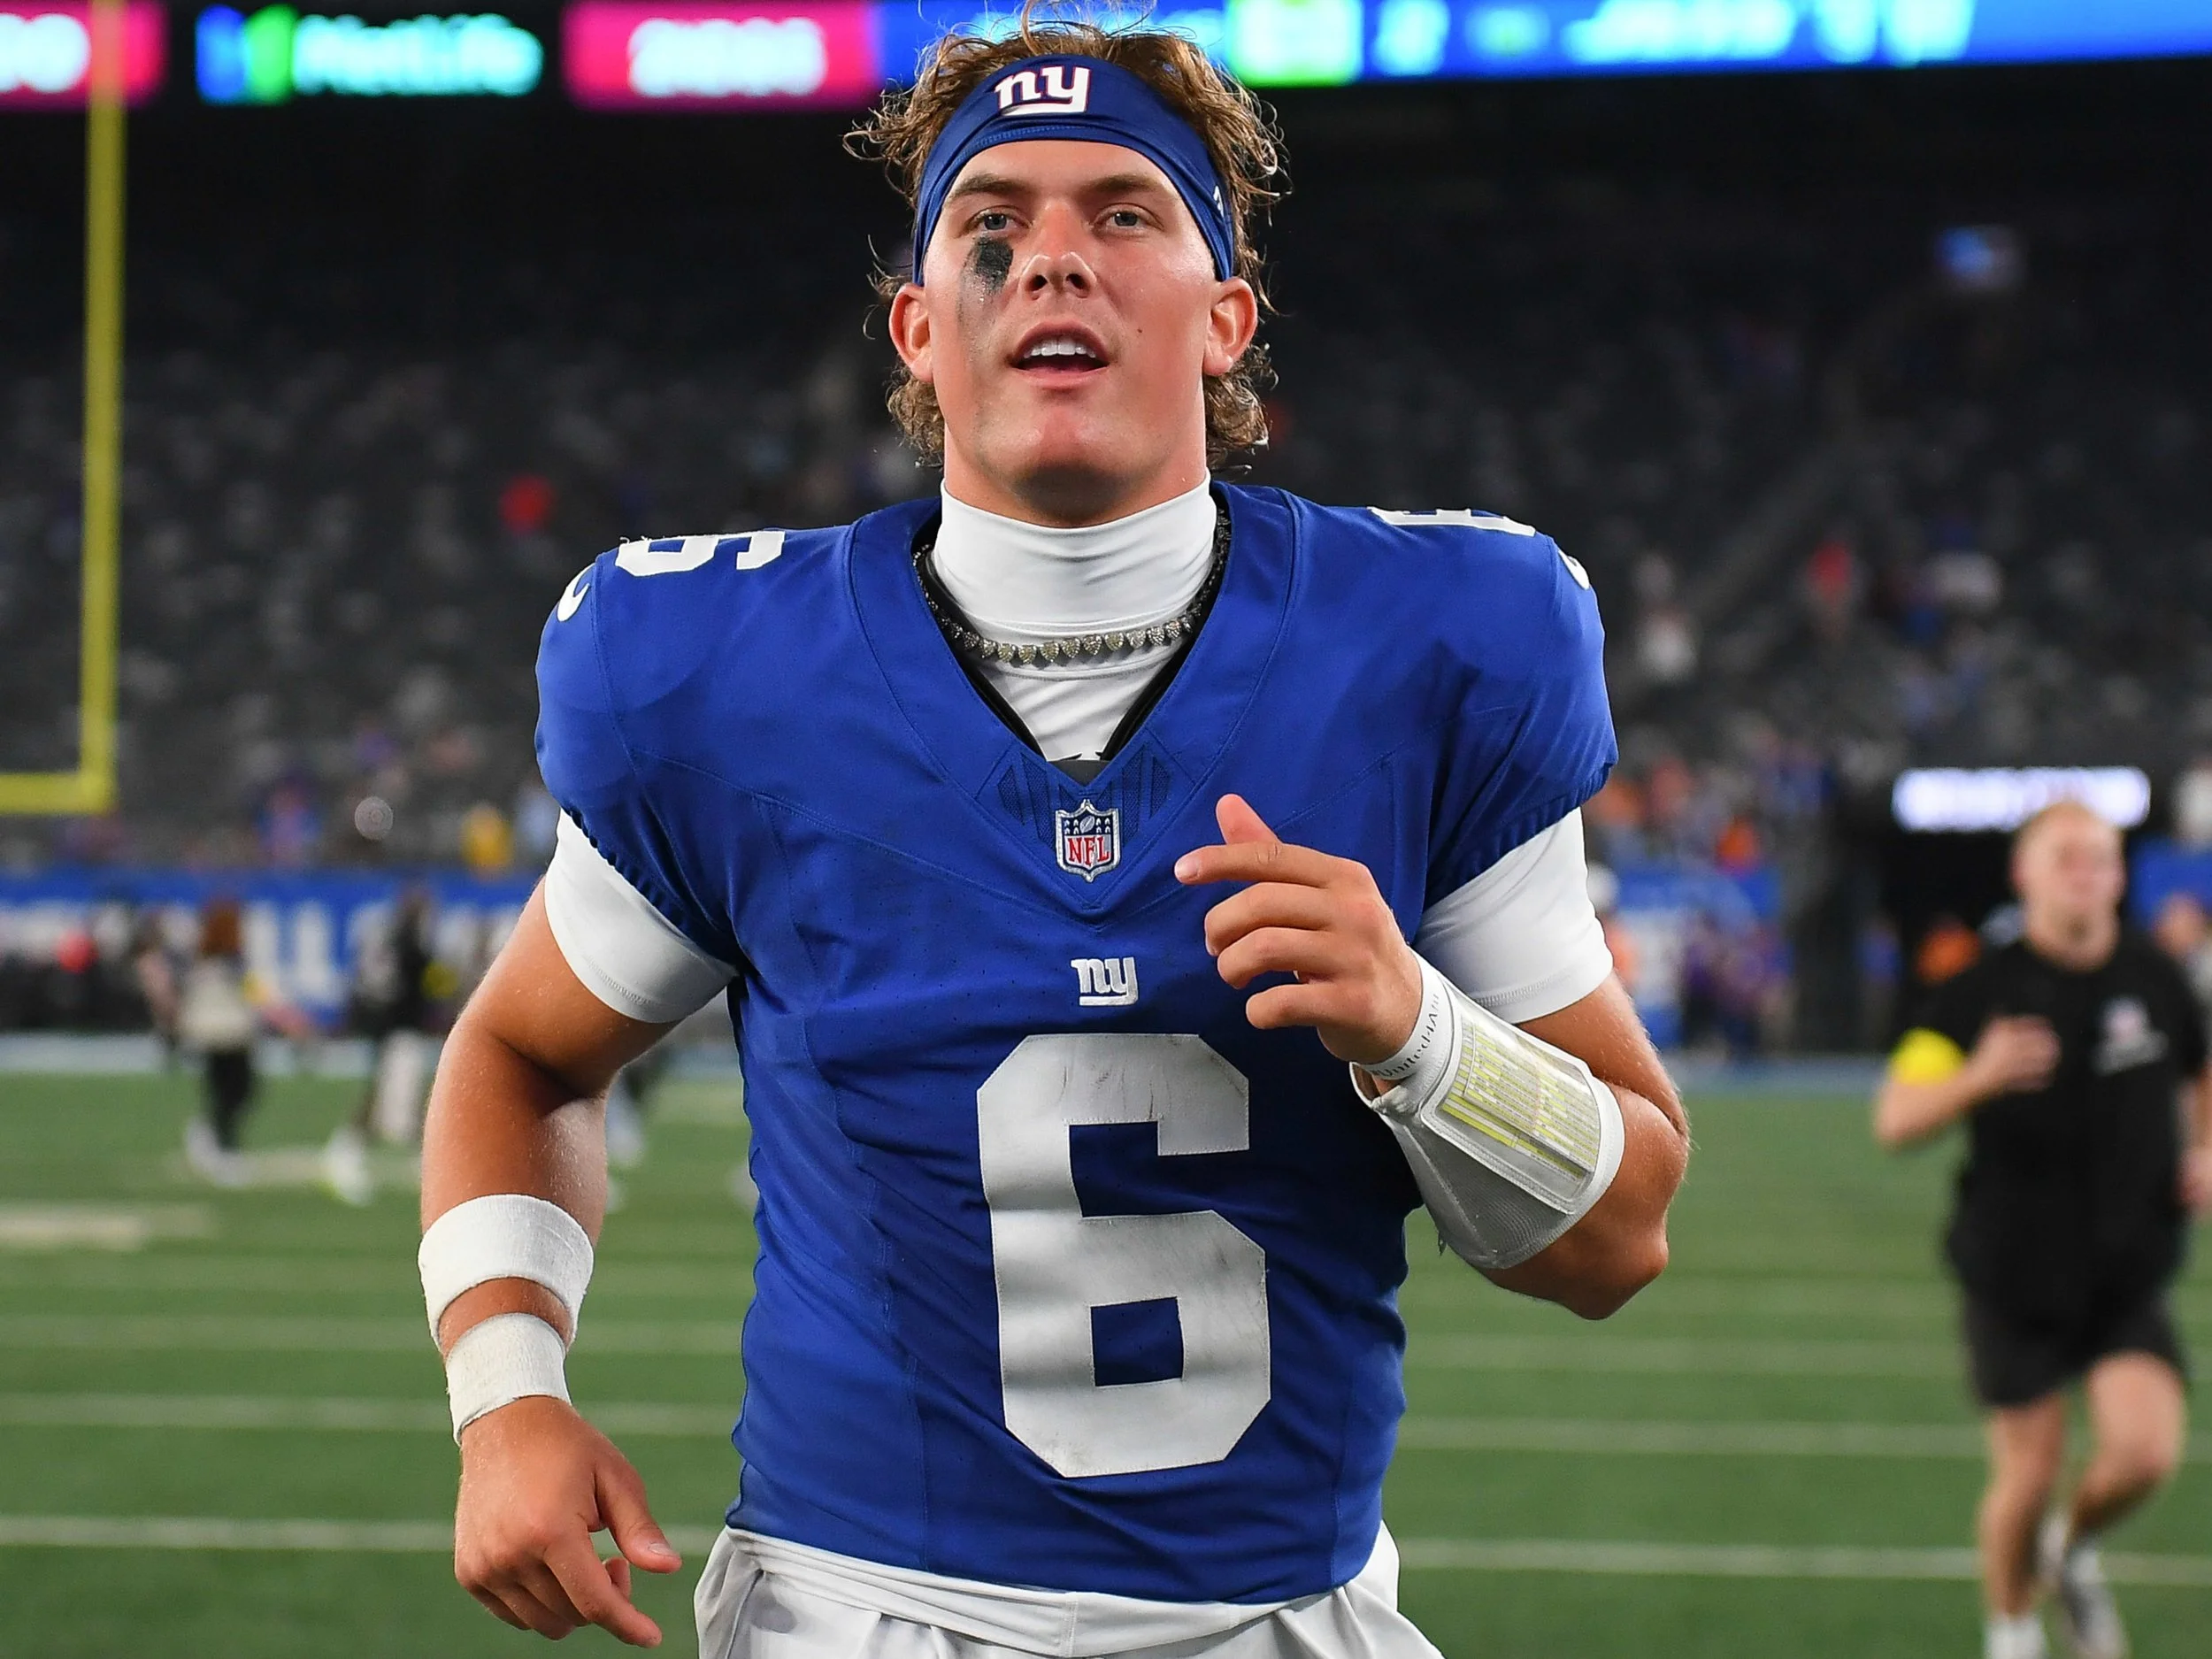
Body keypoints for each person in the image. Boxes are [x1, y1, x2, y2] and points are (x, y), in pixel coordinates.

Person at [416, 19, 1689, 1657]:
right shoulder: (732, 680)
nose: (1054, 264)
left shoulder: (1434, 650)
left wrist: (1420, 1036)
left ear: (1228, 320)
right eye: (993, 226)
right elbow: (519, 1059)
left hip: (1281, 1616)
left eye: (1126, 214)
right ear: (920, 327)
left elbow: (1620, 1238)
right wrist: (505, 1395)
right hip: (854, 1615)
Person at [1874, 801, 2212, 1659]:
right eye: (2064, 857)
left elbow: (2200, 1070)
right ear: (2022, 875)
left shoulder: (2156, 975)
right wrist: (1976, 1077)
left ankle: (2071, 1550)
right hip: (2012, 1272)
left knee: (2141, 1456)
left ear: (2120, 874)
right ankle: (2013, 1630)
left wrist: (2204, 1146)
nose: (2085, 872)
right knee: (2024, 1477)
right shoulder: (1973, 993)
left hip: (2128, 1271)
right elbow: (1895, 1118)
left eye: (2100, 857)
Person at [176, 897, 264, 1186]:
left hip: (218, 1033)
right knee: (233, 1092)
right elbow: (255, 993)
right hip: (226, 1033)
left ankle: (211, 1135)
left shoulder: (207, 958)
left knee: (233, 1092)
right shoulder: (227, 960)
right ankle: (223, 1149)